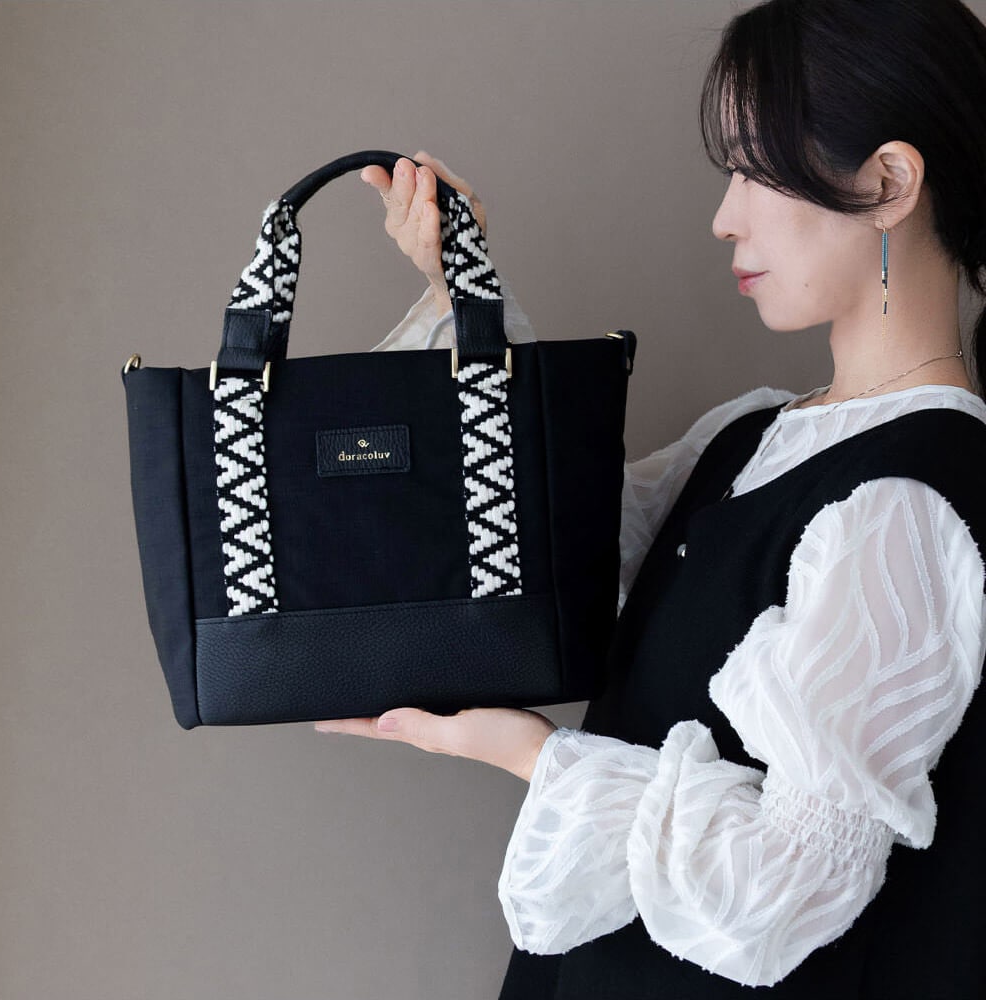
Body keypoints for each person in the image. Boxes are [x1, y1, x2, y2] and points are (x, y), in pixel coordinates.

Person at [312, 0, 986, 995]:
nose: (725, 216)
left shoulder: (905, 504)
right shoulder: (750, 435)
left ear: (888, 182)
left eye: (755, 171)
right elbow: (540, 537)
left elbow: (786, 884)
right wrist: (466, 291)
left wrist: (538, 756)